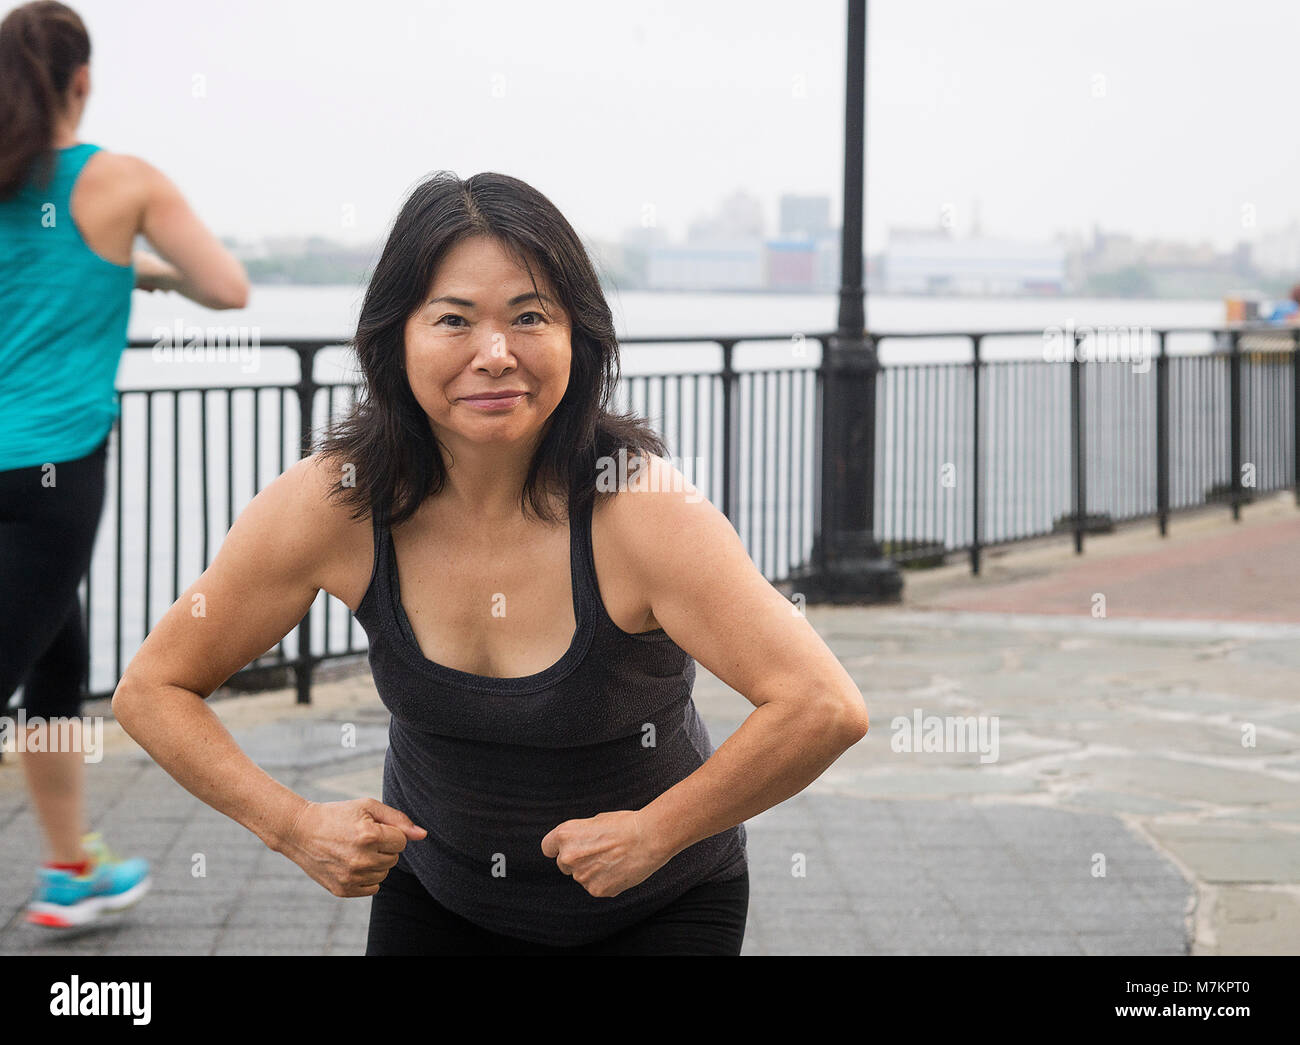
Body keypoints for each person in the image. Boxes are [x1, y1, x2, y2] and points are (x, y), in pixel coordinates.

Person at [112, 170, 870, 956]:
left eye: (530, 315)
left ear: (579, 335)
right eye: (453, 319)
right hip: (439, 894)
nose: (496, 354)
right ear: (394, 336)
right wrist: (294, 825)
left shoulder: (641, 511)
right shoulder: (336, 501)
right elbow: (153, 688)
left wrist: (656, 831)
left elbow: (821, 704)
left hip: (659, 902)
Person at [0, 1, 249, 929]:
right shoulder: (121, 183)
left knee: (57, 668)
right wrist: (144, 268)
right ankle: (69, 869)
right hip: (51, 475)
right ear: (82, 81)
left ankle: (70, 869)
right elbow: (227, 288)